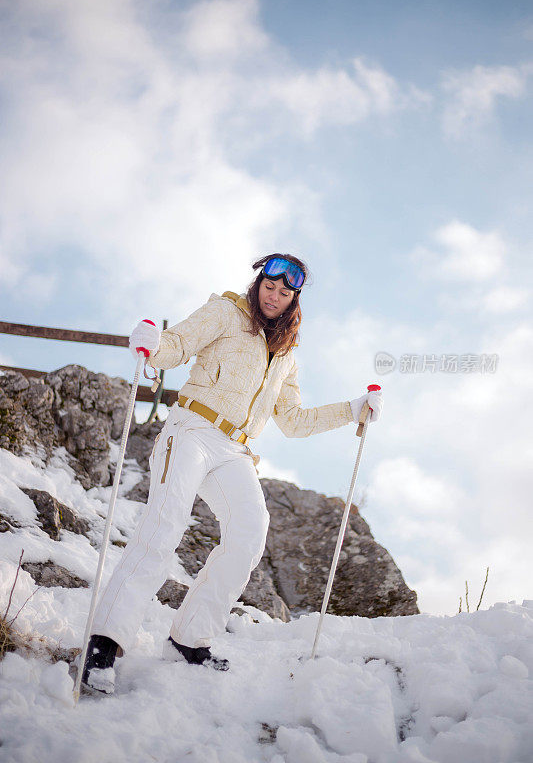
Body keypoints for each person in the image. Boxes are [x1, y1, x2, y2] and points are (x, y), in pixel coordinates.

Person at [80, 253, 383, 694]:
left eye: (284, 292)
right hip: (191, 429)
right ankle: (104, 644)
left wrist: (352, 410)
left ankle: (189, 639)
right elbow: (178, 346)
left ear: (295, 298)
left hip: (236, 449)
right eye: (268, 286)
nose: (273, 296)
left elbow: (293, 420)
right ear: (259, 282)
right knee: (164, 527)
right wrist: (152, 343)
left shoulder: (286, 354)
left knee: (248, 535)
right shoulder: (225, 312)